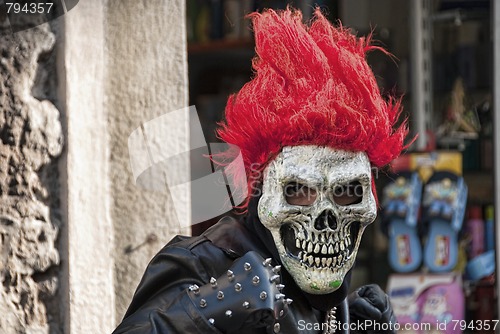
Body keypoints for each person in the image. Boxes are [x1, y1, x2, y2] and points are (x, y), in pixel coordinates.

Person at [113, 7, 408, 334]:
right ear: (262, 192)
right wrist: (202, 313)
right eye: (299, 190)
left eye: (347, 192)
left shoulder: (328, 302)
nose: (326, 219)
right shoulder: (202, 263)